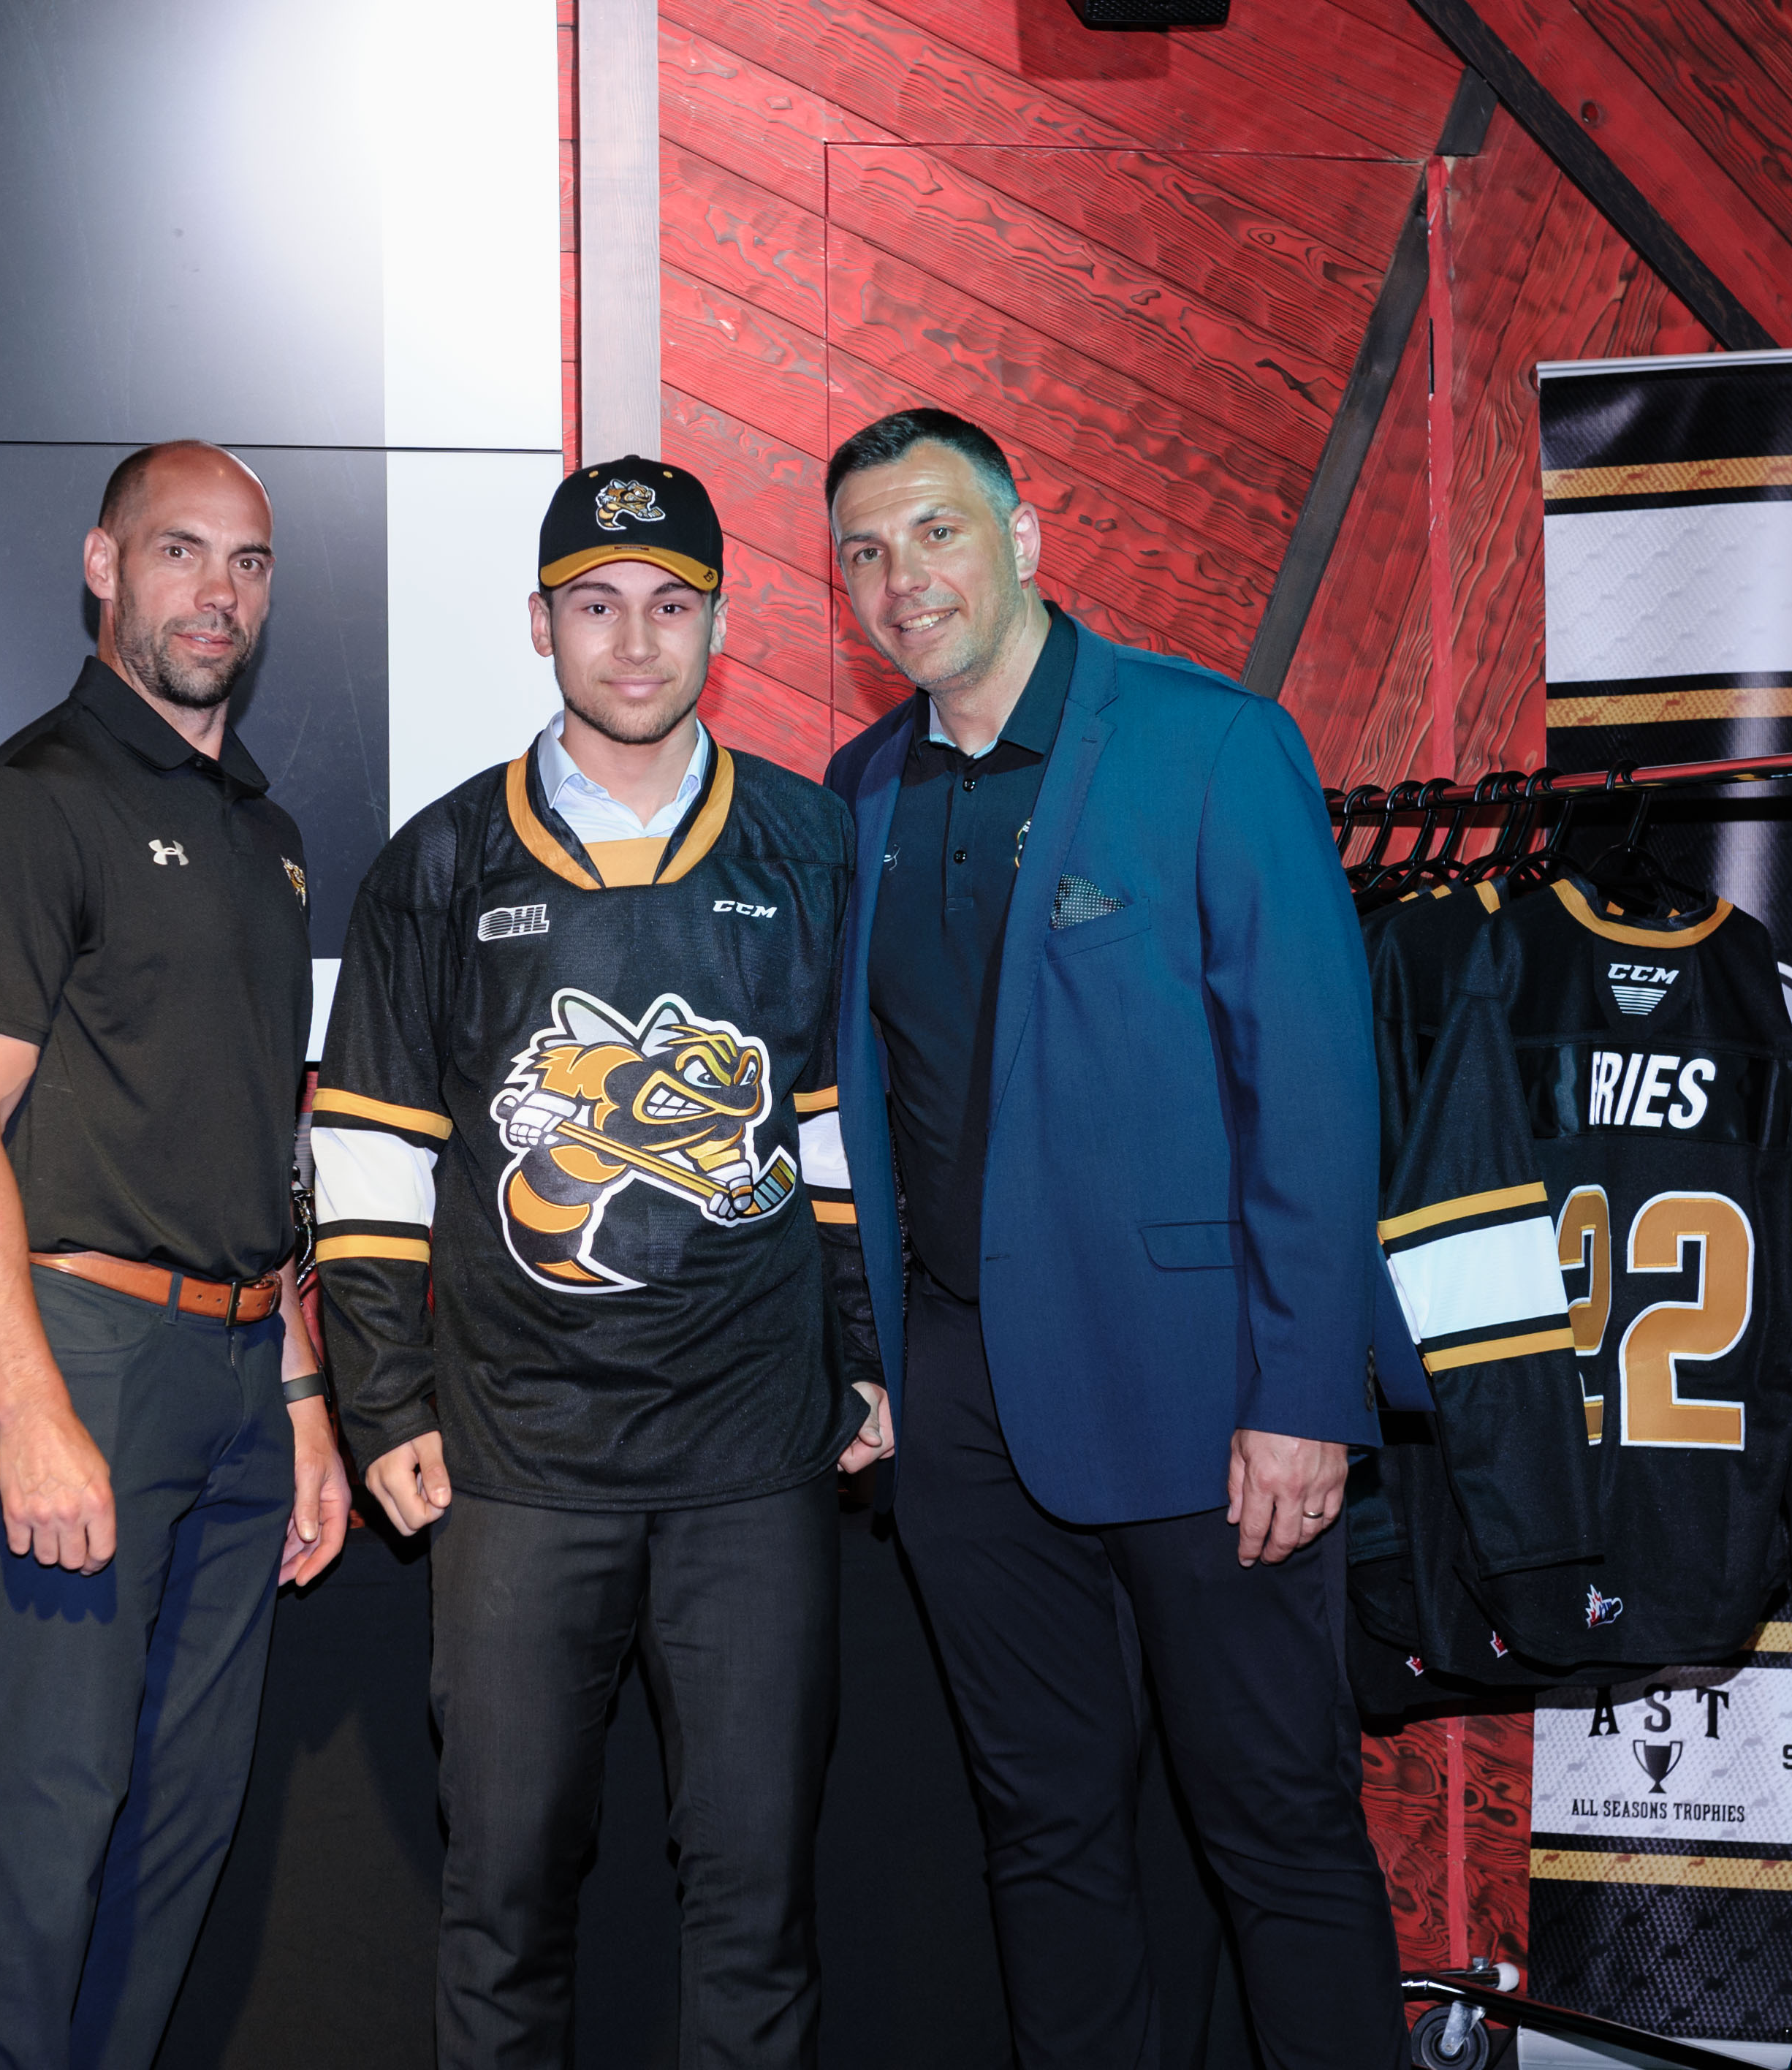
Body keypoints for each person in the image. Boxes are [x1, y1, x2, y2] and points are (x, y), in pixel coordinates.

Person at [818, 409, 1398, 2070]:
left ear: (1024, 539)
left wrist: (1302, 1395)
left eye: (936, 531)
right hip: (958, 1407)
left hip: (1204, 1397)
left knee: (1277, 1829)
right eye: (864, 552)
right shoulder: (863, 791)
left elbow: (1312, 1089)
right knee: (1045, 1838)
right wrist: (875, 1362)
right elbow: (865, 1108)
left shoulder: (1211, 744)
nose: (902, 579)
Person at [310, 457, 892, 2069]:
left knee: (757, 1905)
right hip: (520, 1462)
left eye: (669, 605)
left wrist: (862, 1357)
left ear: (720, 622)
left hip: (752, 1458)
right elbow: (368, 1152)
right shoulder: (439, 865)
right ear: (539, 623)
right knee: (503, 1906)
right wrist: (383, 1401)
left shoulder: (808, 843)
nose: (634, 642)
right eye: (595, 605)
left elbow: (839, 1137)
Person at [0, 440, 354, 2070]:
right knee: (46, 1805)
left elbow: (260, 1143)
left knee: (176, 1824)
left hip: (235, 1370)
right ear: (103, 567)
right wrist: (29, 1409)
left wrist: (301, 1395)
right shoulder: (24, 807)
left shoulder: (266, 835)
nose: (216, 593)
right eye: (180, 552)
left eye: (247, 563)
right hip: (70, 1354)